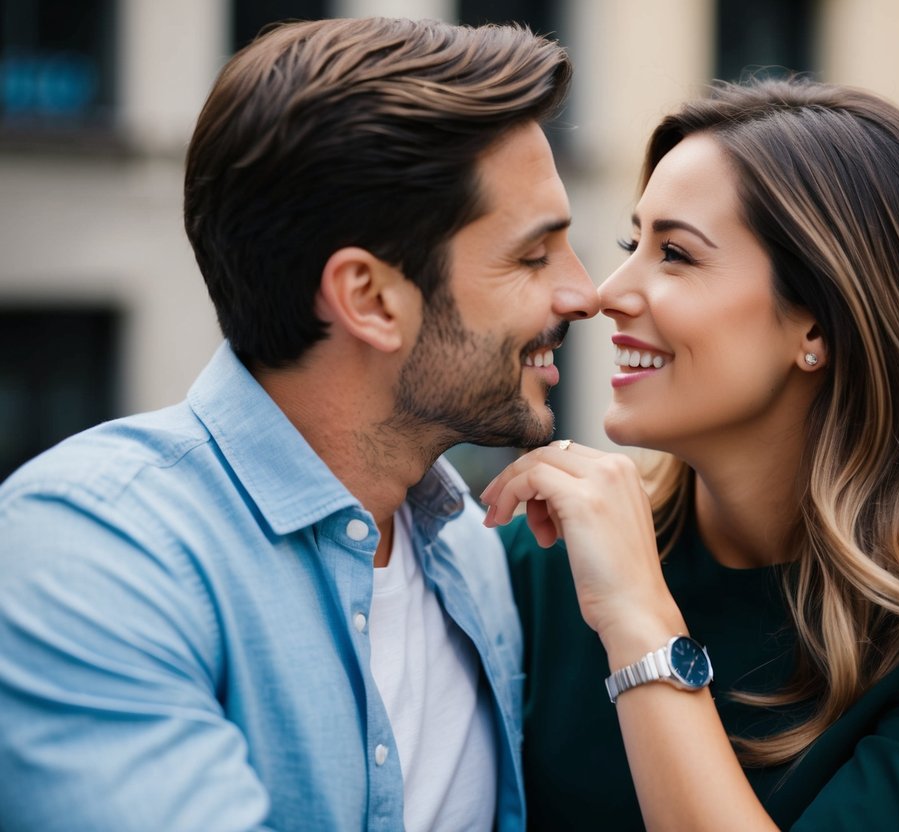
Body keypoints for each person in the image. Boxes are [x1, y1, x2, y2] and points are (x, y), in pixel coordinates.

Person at [482, 78, 899, 831]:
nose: (606, 294)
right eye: (630, 245)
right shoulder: (541, 554)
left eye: (674, 254)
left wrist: (638, 620)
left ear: (818, 326)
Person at [0, 17, 597, 832]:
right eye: (533, 257)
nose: (582, 294)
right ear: (368, 298)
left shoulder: (470, 553)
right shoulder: (93, 549)